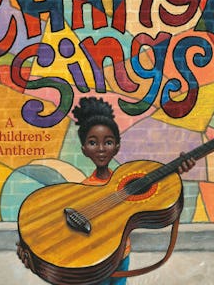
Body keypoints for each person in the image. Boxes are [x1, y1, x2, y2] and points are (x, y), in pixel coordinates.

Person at [72, 97, 194, 285]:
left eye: (109, 142)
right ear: (84, 149)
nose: (102, 149)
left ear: (117, 147)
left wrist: (176, 172)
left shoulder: (124, 181)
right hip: (98, 260)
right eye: (93, 143)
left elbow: (156, 190)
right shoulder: (83, 188)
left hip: (123, 255)